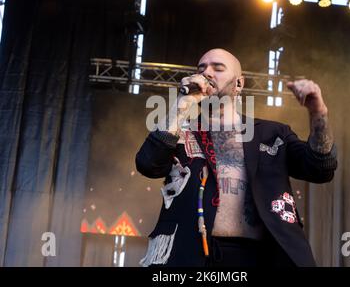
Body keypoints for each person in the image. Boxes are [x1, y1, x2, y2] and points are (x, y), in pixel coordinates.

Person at [136, 48, 337, 267]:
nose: (207, 73)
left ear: (239, 84)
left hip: (259, 256)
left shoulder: (272, 134)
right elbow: (148, 164)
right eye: (201, 68)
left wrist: (318, 113)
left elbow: (320, 168)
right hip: (192, 254)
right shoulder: (180, 132)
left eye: (218, 68)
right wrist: (182, 104)